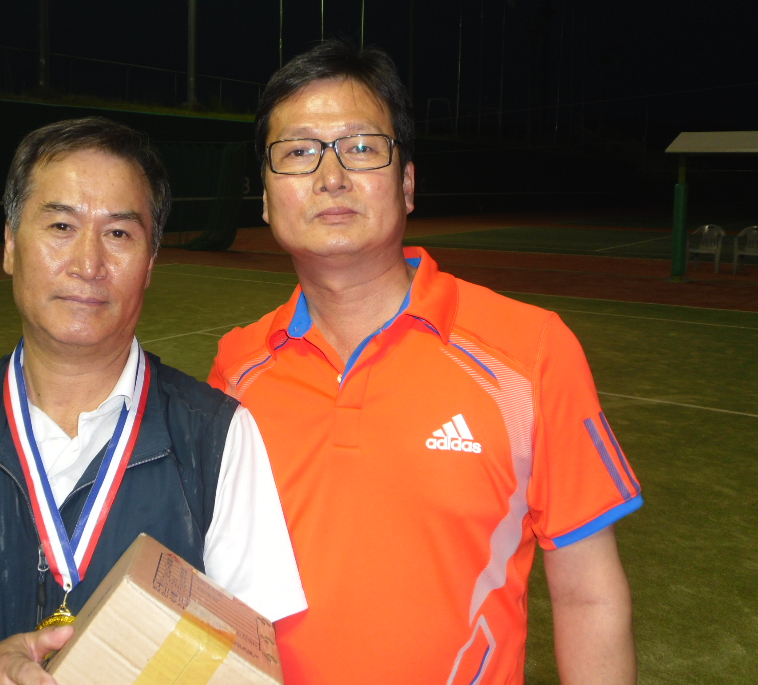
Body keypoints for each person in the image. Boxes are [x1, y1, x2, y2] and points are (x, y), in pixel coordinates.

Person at [208, 40, 641, 685]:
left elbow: (588, 597)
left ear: (407, 183)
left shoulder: (532, 351)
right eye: (298, 152)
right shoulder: (236, 369)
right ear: (267, 199)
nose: (331, 176)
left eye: (361, 147)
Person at [0, 117, 306, 685]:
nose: (88, 264)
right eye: (61, 225)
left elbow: (252, 649)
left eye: (119, 234)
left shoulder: (219, 436)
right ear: (10, 245)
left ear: (150, 263)